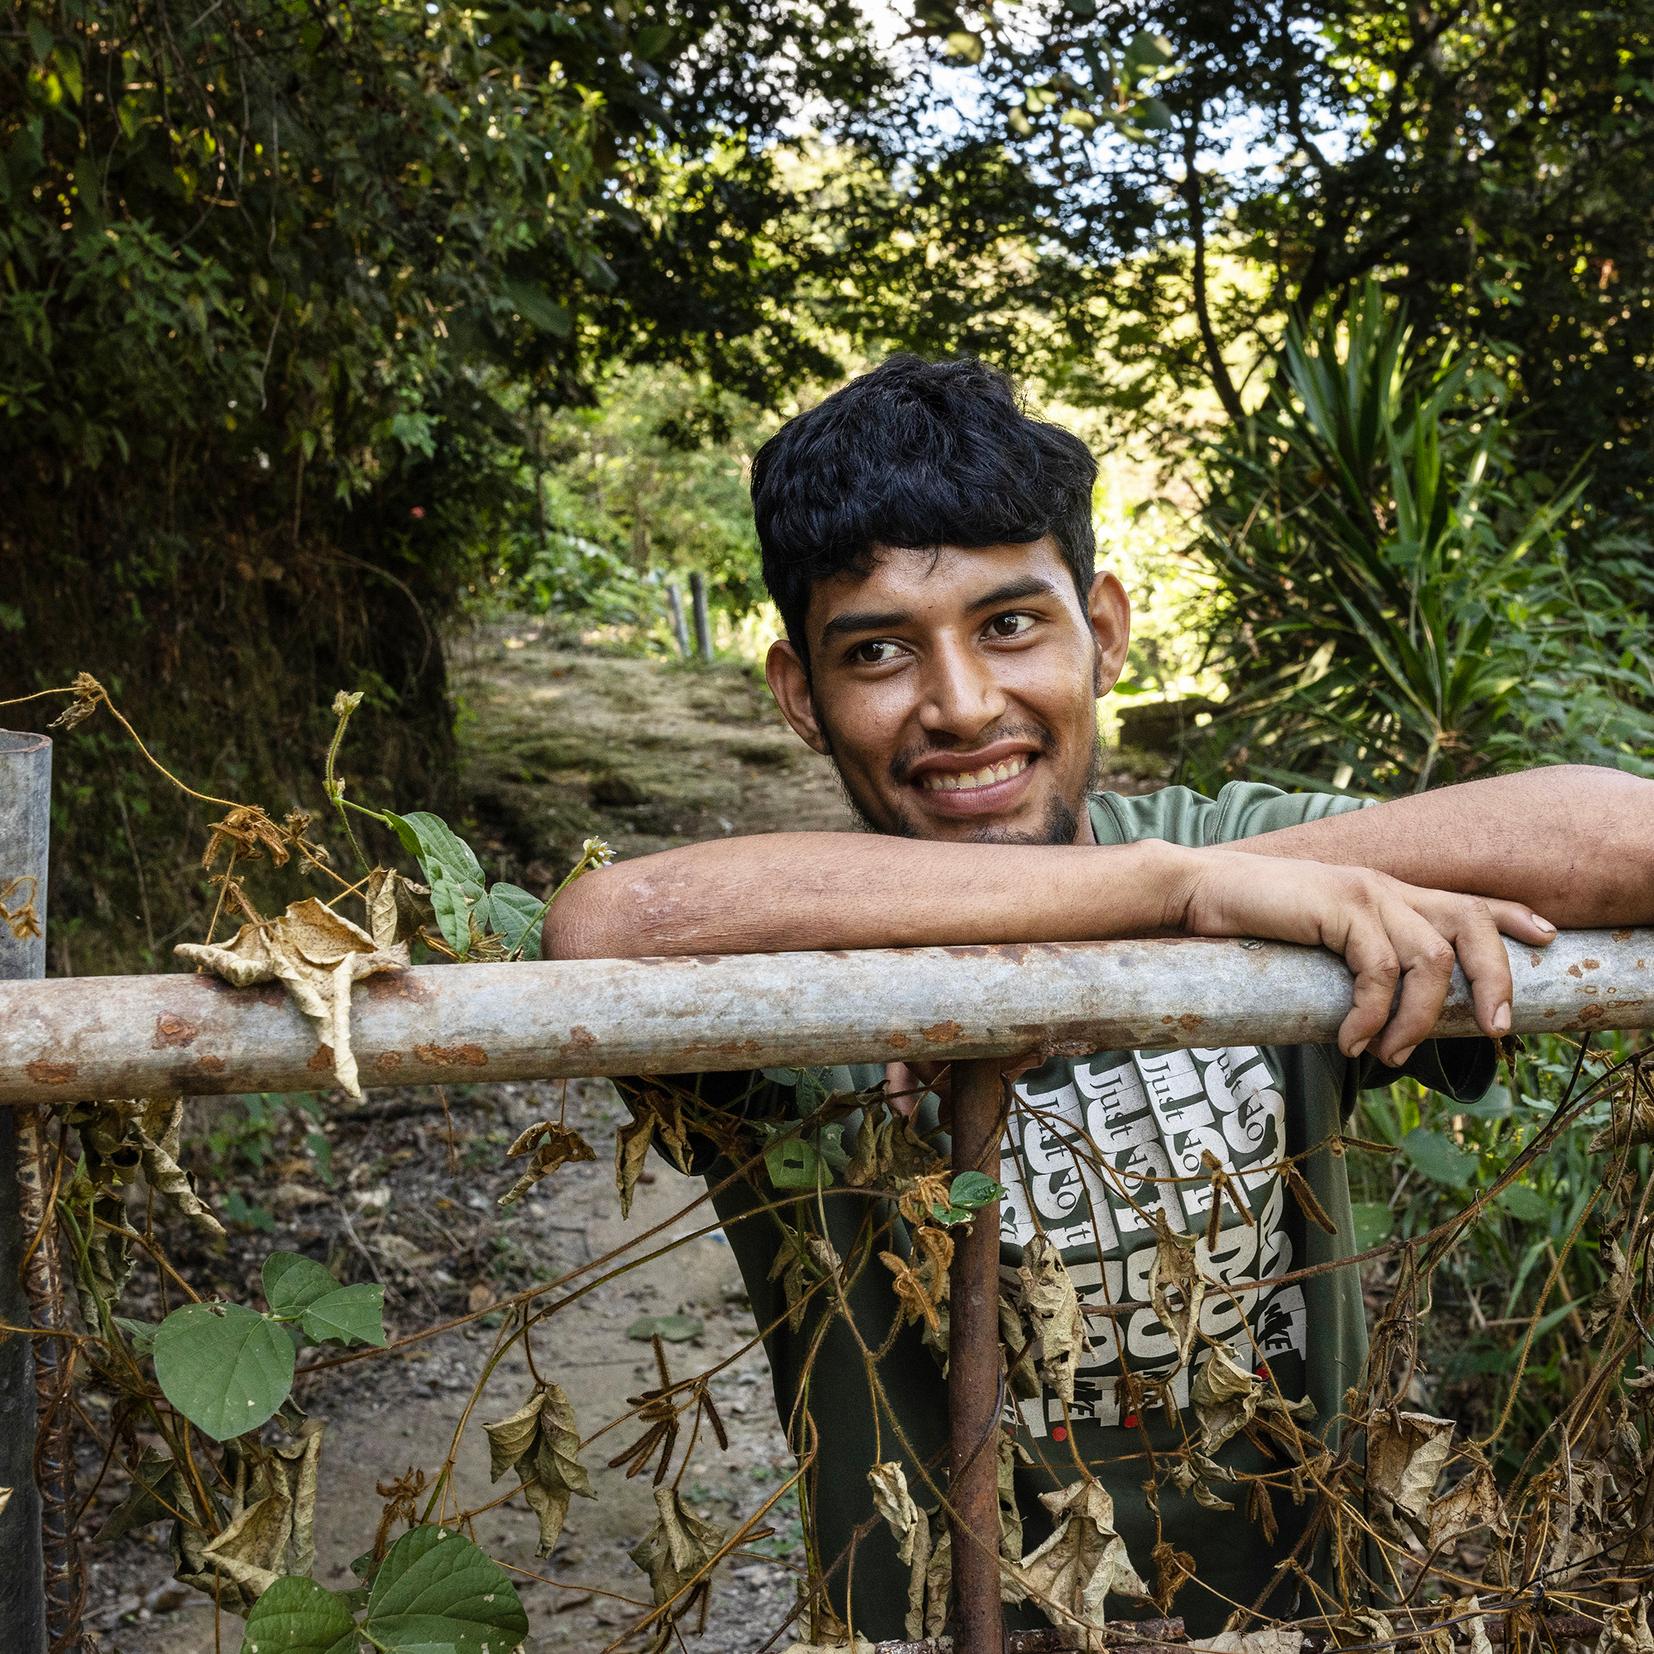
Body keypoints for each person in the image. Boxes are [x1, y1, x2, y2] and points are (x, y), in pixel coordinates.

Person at [542, 356, 1654, 1641]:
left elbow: (1623, 830)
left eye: (1010, 624)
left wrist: (1198, 878)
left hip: (1308, 1618)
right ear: (800, 695)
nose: (960, 706)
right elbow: (609, 922)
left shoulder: (1229, 845)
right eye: (879, 651)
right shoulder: (829, 951)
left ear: (1106, 630)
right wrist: (1167, 894)